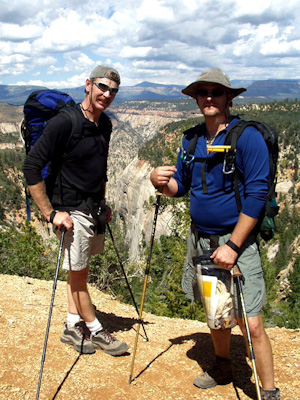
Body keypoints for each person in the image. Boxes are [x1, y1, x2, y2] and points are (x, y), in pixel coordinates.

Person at [150, 68, 280, 399]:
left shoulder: (246, 137)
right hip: (201, 239)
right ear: (196, 99)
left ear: (229, 98)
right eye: (203, 92)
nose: (209, 97)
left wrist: (234, 246)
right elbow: (182, 187)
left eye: (216, 92)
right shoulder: (191, 139)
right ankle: (223, 367)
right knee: (217, 313)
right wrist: (160, 183)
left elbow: (257, 193)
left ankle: (269, 392)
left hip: (235, 242)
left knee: (250, 323)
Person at [23, 65, 128, 356]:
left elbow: (100, 169)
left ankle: (72, 324)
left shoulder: (104, 124)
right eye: (102, 87)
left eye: (113, 91)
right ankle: (95, 329)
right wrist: (51, 213)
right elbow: (31, 167)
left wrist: (103, 203)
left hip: (92, 208)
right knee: (79, 273)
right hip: (70, 211)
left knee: (80, 270)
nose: (107, 94)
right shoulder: (64, 122)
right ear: (88, 85)